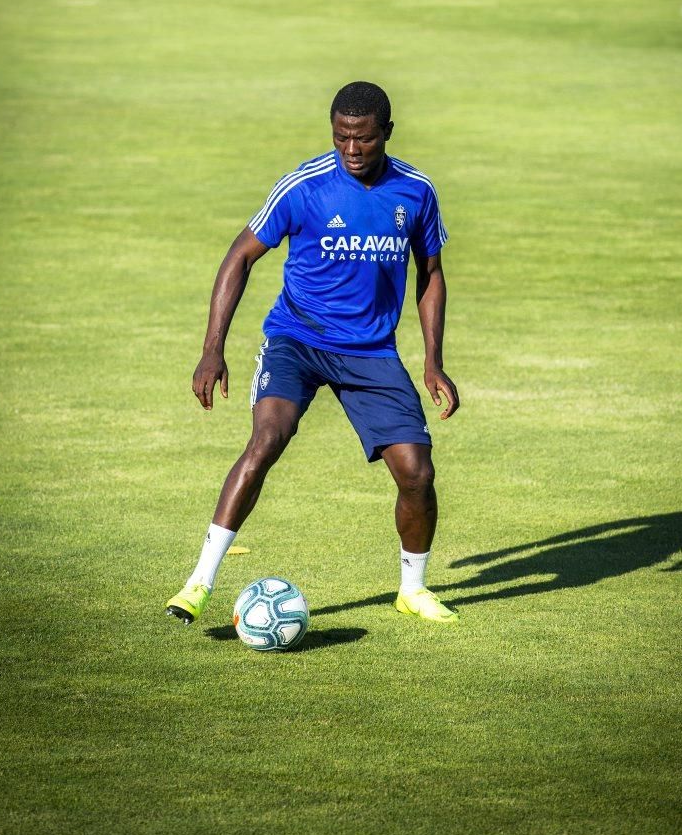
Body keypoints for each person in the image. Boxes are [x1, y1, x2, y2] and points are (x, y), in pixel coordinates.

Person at [166, 82, 461, 627]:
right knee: (266, 441)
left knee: (417, 473)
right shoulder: (304, 186)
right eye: (342, 137)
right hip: (297, 340)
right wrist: (213, 349)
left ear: (386, 134)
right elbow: (239, 257)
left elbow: (431, 274)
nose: (352, 149)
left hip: (371, 351)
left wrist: (433, 359)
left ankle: (413, 590)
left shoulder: (415, 191)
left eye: (365, 139)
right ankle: (199, 582)